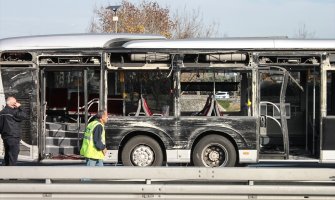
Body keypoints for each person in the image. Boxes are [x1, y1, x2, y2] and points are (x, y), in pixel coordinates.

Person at [0, 96, 28, 166]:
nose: (17, 103)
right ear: (13, 104)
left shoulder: (1, 112)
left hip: (5, 137)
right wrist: (20, 107)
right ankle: (12, 175)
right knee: (13, 155)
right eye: (15, 102)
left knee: (7, 154)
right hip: (13, 136)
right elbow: (24, 116)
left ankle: (6, 173)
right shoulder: (14, 112)